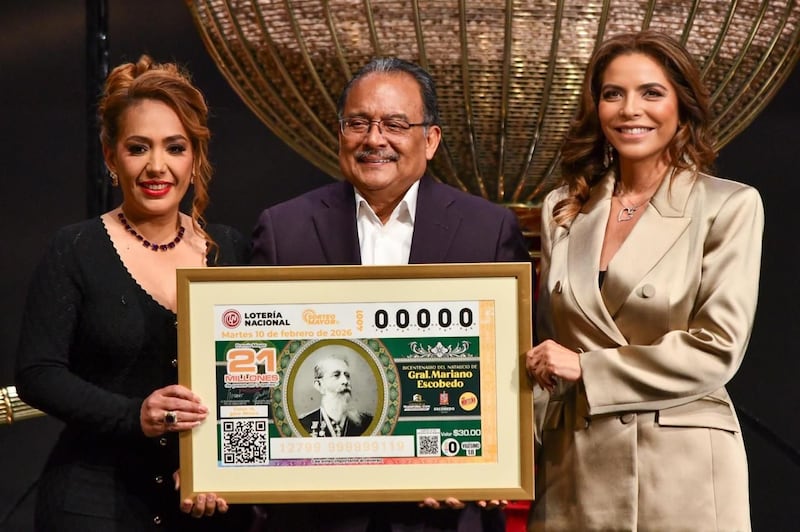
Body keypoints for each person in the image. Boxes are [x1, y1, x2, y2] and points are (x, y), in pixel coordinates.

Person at [251, 57, 530, 531]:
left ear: (431, 139)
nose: (374, 139)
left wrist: (486, 470)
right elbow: (259, 367)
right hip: (317, 515)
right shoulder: (284, 228)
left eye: (395, 125)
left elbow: (514, 371)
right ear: (341, 134)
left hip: (446, 511)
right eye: (358, 123)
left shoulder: (487, 229)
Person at [526, 30, 763, 531]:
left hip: (681, 469)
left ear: (682, 106)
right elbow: (546, 353)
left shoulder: (728, 205)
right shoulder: (562, 209)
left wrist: (589, 367)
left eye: (651, 92)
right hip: (575, 468)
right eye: (613, 94)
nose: (630, 109)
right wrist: (507, 455)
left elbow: (717, 349)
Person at [15, 55, 251, 531]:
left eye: (175, 148)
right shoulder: (75, 248)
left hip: (206, 507)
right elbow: (38, 374)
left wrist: (222, 466)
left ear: (195, 158)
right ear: (111, 157)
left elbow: (255, 378)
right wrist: (132, 415)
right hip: (92, 505)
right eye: (138, 148)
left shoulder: (231, 249)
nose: (156, 166)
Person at [298, 355, 373, 437]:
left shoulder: (368, 423)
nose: (345, 381)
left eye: (347, 375)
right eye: (336, 375)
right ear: (319, 385)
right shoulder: (303, 424)